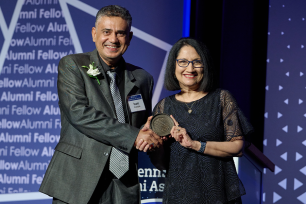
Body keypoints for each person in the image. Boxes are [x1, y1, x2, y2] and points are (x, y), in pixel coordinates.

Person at [39, 5, 162, 204]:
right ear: (94, 34)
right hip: (78, 179)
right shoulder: (72, 65)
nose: (113, 39)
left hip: (124, 183)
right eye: (106, 32)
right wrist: (135, 135)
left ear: (129, 37)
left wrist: (152, 133)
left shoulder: (142, 78)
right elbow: (79, 113)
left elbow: (142, 124)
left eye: (120, 33)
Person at [137, 38, 253, 204]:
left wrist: (195, 144)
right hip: (178, 196)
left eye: (196, 62)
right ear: (173, 66)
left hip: (218, 195)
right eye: (183, 62)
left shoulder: (221, 99)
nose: (190, 68)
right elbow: (161, 164)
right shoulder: (164, 107)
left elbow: (237, 147)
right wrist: (155, 144)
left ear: (205, 65)